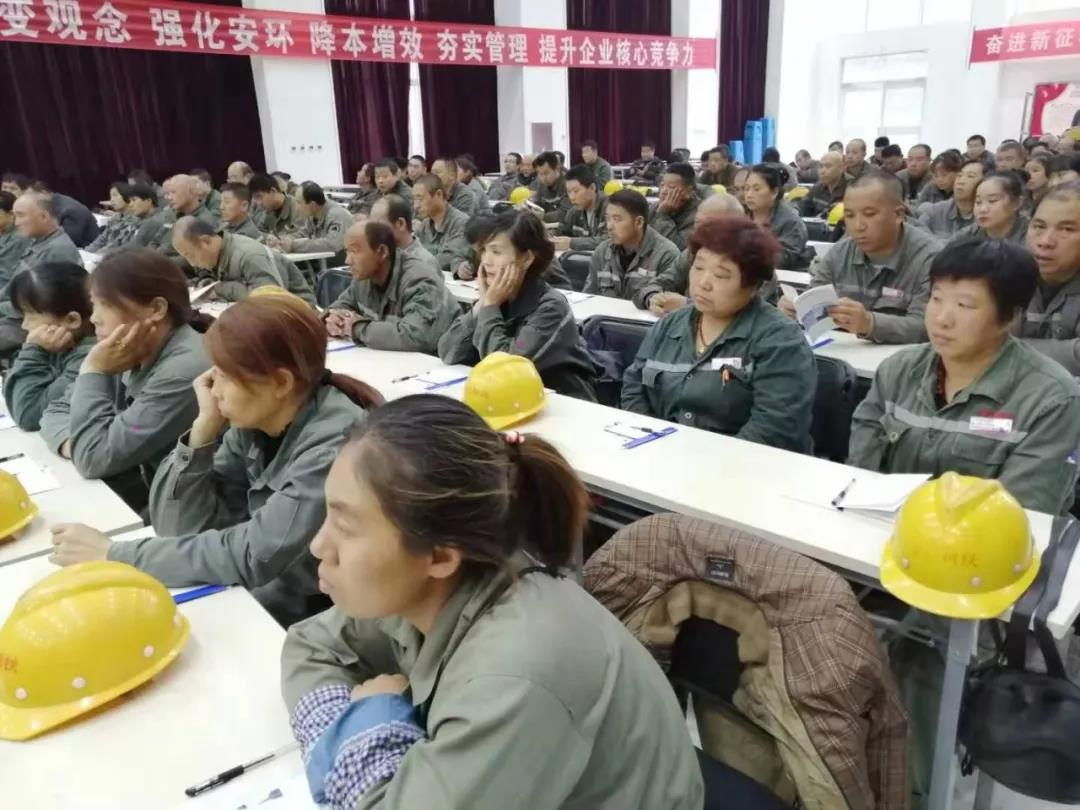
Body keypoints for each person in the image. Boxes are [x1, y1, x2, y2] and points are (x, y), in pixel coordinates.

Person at [279, 393, 704, 809]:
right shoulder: (435, 585)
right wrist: (339, 738)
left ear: (440, 556)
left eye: (346, 527)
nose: (318, 546)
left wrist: (370, 720)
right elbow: (310, 645)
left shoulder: (516, 673)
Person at [49, 295, 383, 627]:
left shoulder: (331, 447)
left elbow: (254, 554)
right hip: (275, 592)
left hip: (329, 611)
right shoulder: (258, 423)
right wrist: (202, 433)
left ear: (281, 382)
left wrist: (115, 555)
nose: (211, 389)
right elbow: (177, 528)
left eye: (224, 375)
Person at [850, 238, 1080, 515]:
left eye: (965, 305)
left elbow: (1021, 512)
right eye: (936, 299)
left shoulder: (1052, 400)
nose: (942, 319)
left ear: (1010, 317)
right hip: (883, 529)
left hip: (986, 539)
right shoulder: (897, 371)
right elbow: (861, 475)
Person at [622, 215, 816, 451]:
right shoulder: (669, 325)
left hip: (743, 465)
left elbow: (773, 430)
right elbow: (634, 387)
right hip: (660, 455)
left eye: (721, 275)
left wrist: (705, 462)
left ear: (753, 285)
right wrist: (652, 445)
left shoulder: (781, 341)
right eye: (698, 267)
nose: (703, 283)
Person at [39, 248, 212, 510]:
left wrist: (93, 372)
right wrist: (77, 445)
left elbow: (94, 459)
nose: (94, 318)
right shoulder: (128, 348)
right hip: (149, 490)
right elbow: (55, 410)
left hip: (184, 510)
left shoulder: (185, 370)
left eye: (105, 304)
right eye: (93, 303)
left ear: (156, 309)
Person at [438, 210, 598, 400]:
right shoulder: (497, 297)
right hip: (510, 399)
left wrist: (489, 307)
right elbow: (448, 352)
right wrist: (482, 305)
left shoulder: (551, 307)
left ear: (526, 259)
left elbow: (504, 370)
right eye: (484, 250)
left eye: (496, 252)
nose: (486, 260)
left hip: (563, 401)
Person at [790, 171, 941, 344]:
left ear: (898, 215)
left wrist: (869, 323)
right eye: (849, 216)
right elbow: (813, 303)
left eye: (869, 214)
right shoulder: (838, 253)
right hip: (842, 353)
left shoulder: (931, 259)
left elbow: (927, 327)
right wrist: (798, 311)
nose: (858, 226)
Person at [325, 220, 459, 354]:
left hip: (438, 361)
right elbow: (342, 305)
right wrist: (332, 318)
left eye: (354, 251)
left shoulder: (419, 280)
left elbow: (416, 336)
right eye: (347, 251)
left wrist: (357, 328)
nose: (347, 260)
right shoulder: (364, 277)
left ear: (382, 252)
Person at [3, 262, 96, 431]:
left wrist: (33, 350)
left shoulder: (89, 358)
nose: (24, 325)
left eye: (30, 315)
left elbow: (28, 415)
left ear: (72, 320)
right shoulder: (60, 344)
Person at [636, 194, 746, 314]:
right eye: (697, 223)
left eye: (709, 225)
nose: (699, 230)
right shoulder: (692, 253)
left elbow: (748, 311)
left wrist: (687, 305)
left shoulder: (749, 259)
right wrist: (653, 298)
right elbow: (658, 283)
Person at [1020, 182, 1080, 374]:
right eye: (1039, 226)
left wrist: (1009, 349)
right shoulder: (1004, 273)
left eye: (1066, 229)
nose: (1045, 241)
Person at [585, 190, 680, 302]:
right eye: (607, 218)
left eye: (617, 219)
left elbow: (668, 306)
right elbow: (588, 298)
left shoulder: (666, 255)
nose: (609, 226)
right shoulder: (602, 252)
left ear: (639, 222)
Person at [171, 217, 293, 303]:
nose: (192, 263)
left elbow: (269, 299)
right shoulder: (218, 254)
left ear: (206, 241)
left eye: (190, 255)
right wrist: (209, 284)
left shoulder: (249, 255)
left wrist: (221, 288)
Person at [2, 174, 99, 248]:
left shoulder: (70, 210)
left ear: (44, 194)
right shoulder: (49, 204)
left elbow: (68, 241)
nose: (30, 200)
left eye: (32, 197)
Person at [269, 181, 354, 263]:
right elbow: (303, 233)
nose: (297, 207)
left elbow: (331, 245)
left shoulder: (337, 214)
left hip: (341, 266)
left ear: (313, 205)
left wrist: (294, 245)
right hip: (323, 263)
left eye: (299, 203)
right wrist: (283, 240)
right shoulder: (312, 215)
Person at [742, 164, 808, 269]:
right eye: (746, 189)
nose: (749, 194)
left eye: (756, 189)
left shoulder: (790, 222)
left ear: (774, 192)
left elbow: (782, 259)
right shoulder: (740, 215)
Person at [413, 173, 472, 274]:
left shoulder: (462, 223)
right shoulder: (425, 225)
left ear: (439, 195)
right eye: (414, 199)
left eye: (420, 199)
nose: (416, 206)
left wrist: (416, 265)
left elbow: (449, 258)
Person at [369, 195, 439, 275]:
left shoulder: (423, 263)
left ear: (400, 224)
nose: (371, 231)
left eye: (377, 224)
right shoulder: (377, 256)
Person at [952, 171, 1028, 245]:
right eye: (978, 202)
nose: (982, 209)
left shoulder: (1029, 237)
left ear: (1016, 203)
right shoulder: (969, 234)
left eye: (992, 201)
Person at [648, 162, 710, 252]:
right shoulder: (655, 206)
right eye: (662, 185)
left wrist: (663, 215)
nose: (663, 191)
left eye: (671, 187)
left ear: (689, 191)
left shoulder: (701, 215)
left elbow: (676, 248)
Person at [919, 159, 982, 239]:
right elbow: (918, 235)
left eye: (970, 176)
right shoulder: (936, 211)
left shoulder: (985, 218)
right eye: (959, 176)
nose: (961, 181)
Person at [553, 163, 608, 251]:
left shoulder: (609, 208)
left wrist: (572, 243)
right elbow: (561, 232)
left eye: (576, 191)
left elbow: (609, 241)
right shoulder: (574, 212)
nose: (571, 197)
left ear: (592, 188)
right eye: (569, 192)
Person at [84, 182, 140, 254]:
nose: (112, 200)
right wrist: (85, 252)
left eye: (115, 195)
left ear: (126, 195)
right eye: (111, 197)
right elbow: (101, 240)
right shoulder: (115, 218)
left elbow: (116, 246)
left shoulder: (135, 220)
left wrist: (96, 255)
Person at [799, 151, 847, 218]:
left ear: (842, 168)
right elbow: (802, 209)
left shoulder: (852, 189)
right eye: (821, 166)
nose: (822, 171)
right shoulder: (817, 187)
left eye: (828, 166)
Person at [531, 151, 571, 222]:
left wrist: (543, 216)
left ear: (557, 169)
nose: (543, 178)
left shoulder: (568, 184)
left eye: (546, 173)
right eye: (540, 174)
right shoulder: (541, 183)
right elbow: (537, 204)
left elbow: (565, 213)